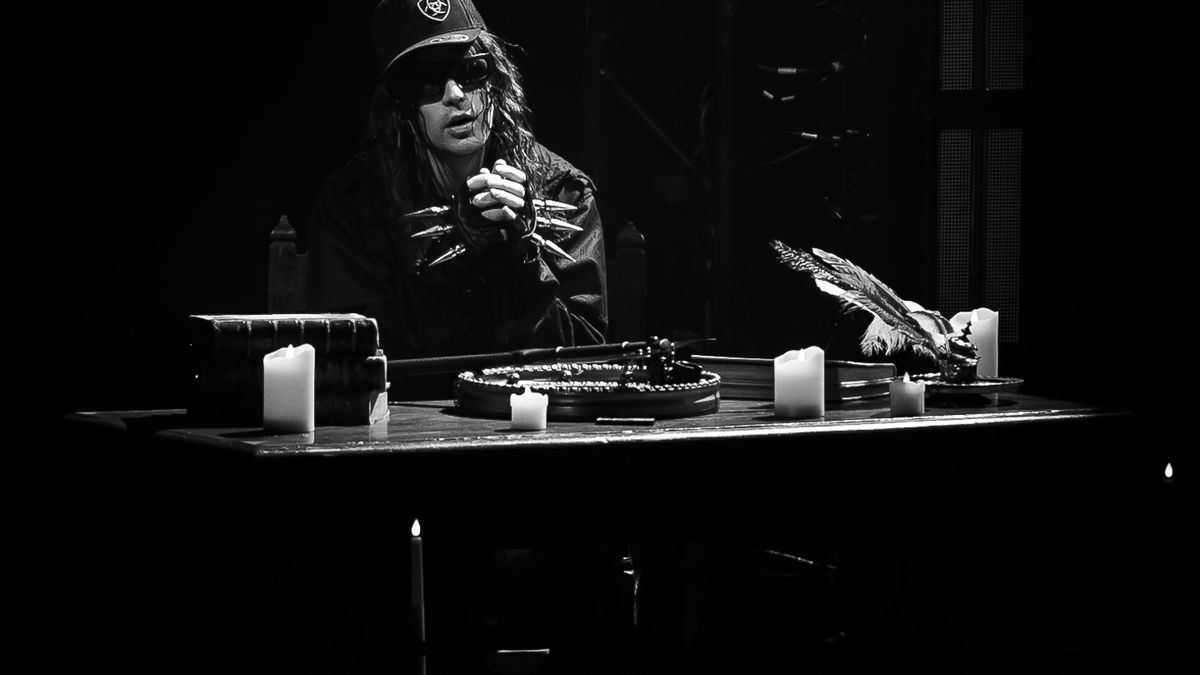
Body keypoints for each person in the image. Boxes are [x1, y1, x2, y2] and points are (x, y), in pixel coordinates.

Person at [306, 0, 608, 402]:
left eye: (470, 71)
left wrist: (521, 257)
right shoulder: (354, 204)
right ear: (399, 104)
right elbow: (351, 358)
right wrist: (457, 257)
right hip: (403, 426)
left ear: (497, 79)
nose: (455, 95)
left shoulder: (563, 191)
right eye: (427, 81)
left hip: (535, 423)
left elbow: (585, 360)